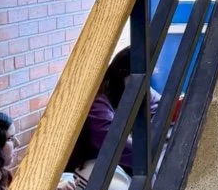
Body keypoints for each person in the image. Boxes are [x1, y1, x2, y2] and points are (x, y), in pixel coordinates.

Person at [67, 47, 159, 176]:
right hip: (92, 162)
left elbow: (157, 107)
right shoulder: (99, 100)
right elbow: (111, 142)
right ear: (123, 74)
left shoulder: (136, 88)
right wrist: (152, 152)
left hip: (122, 156)